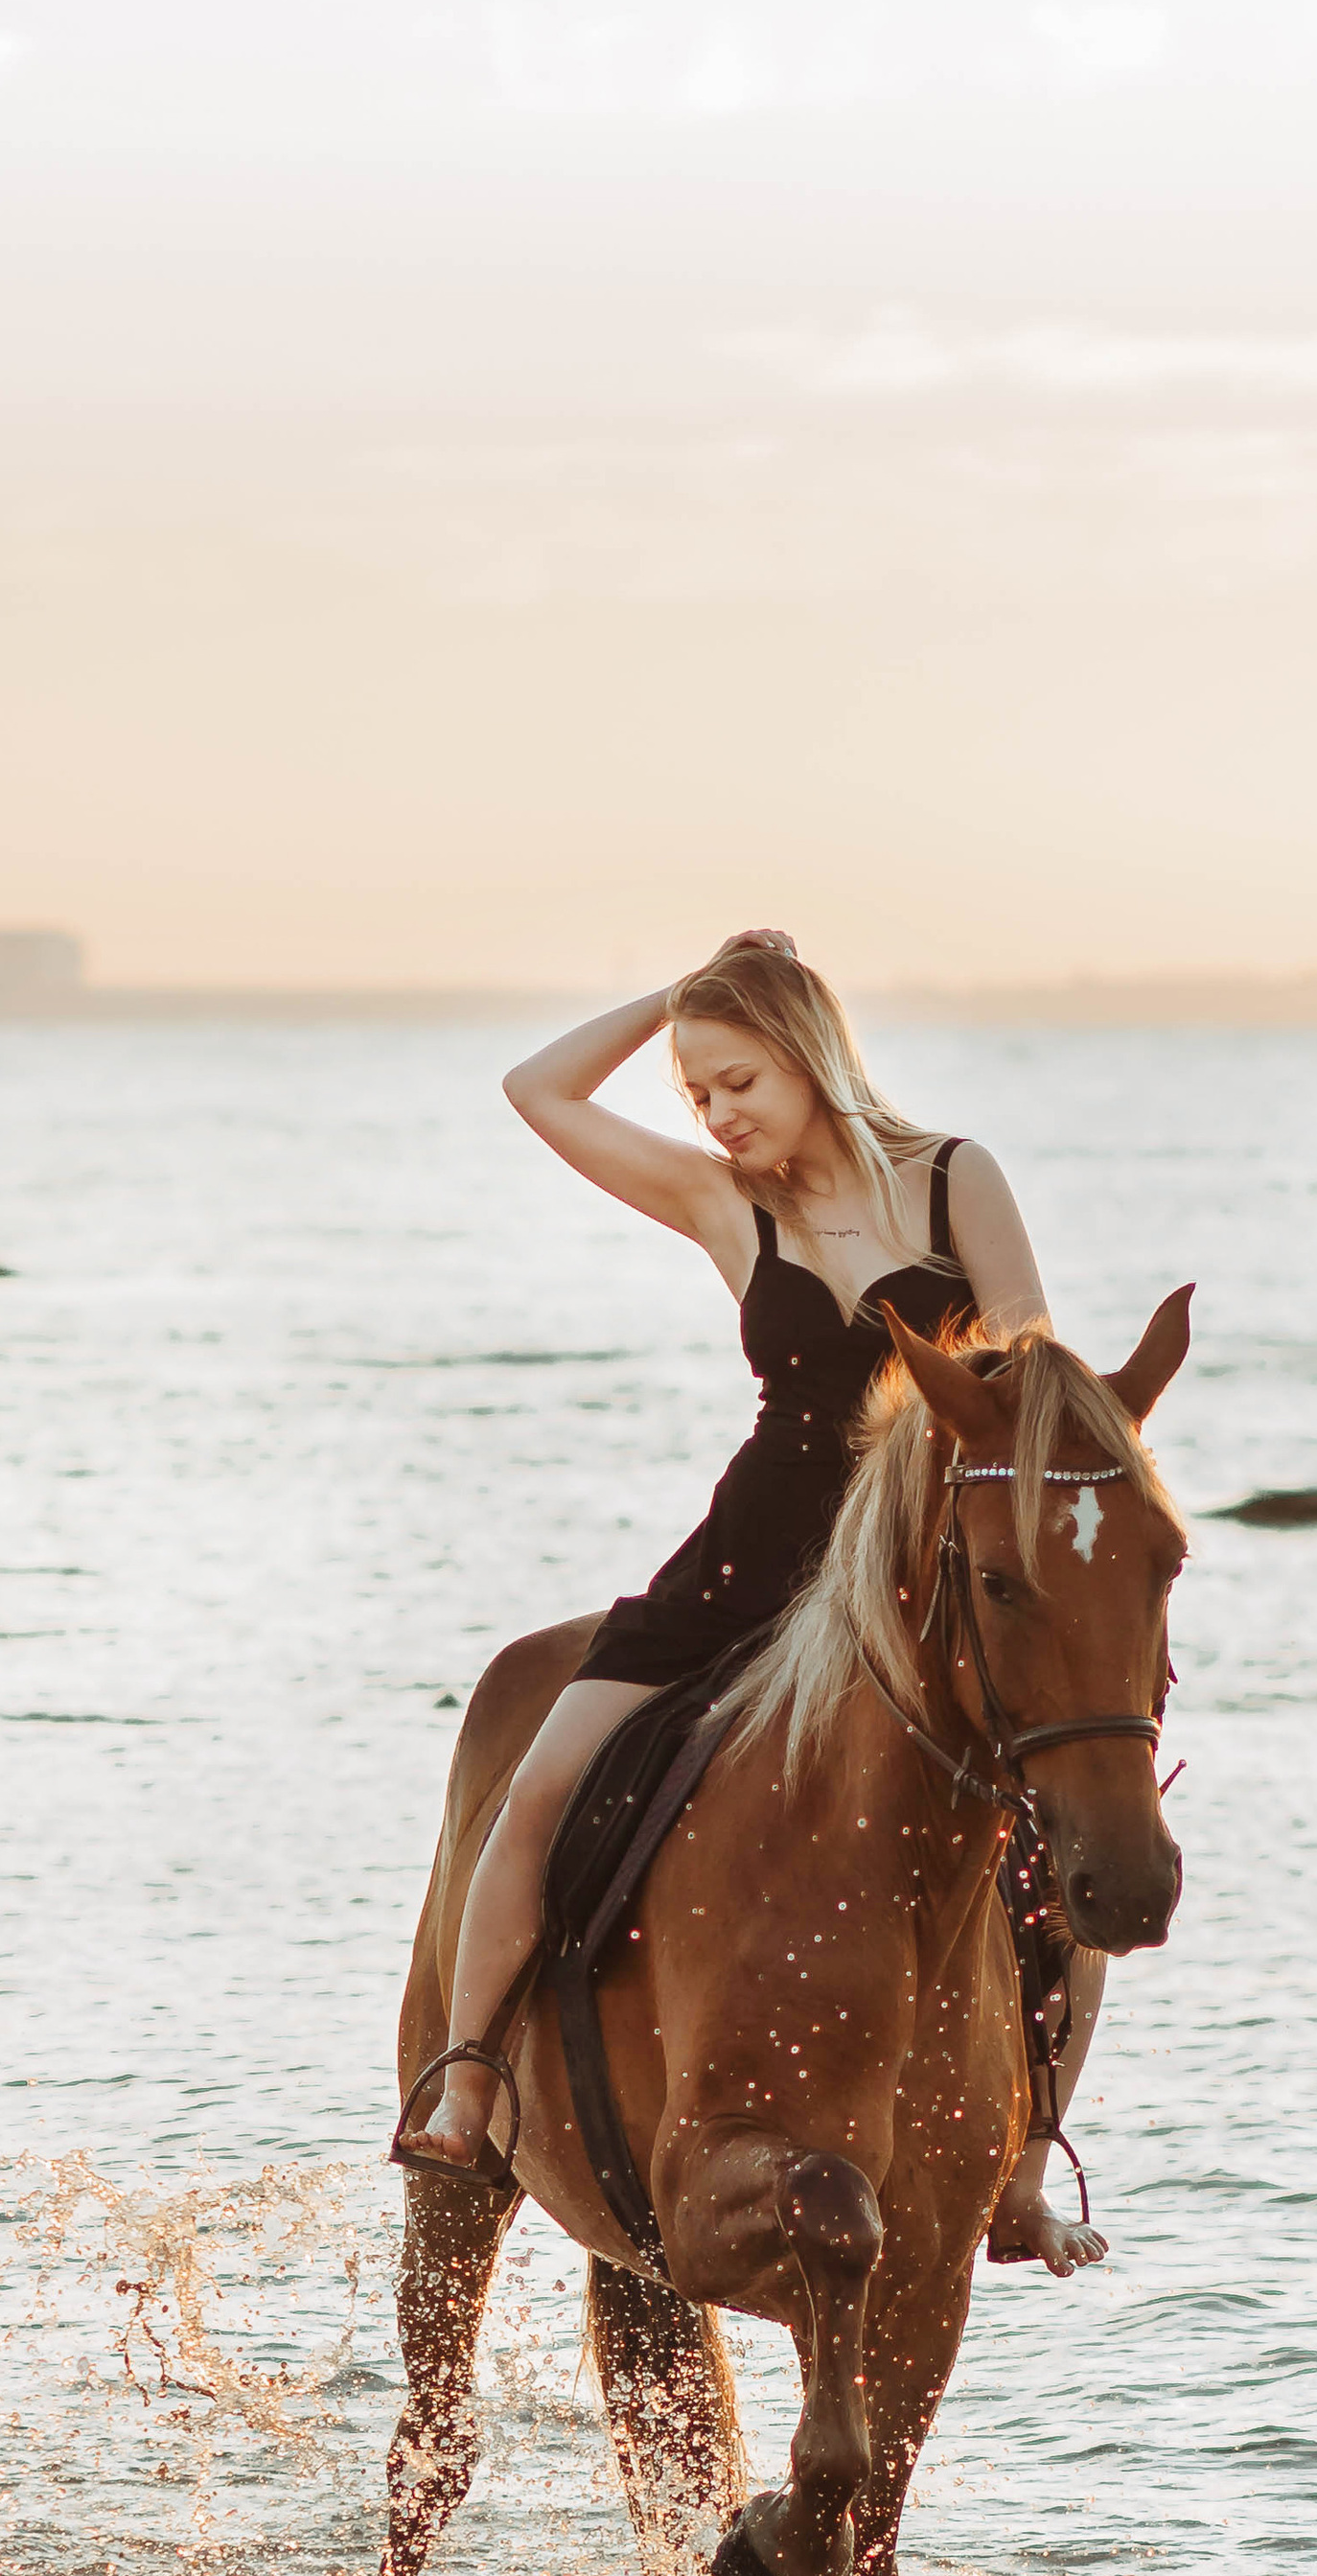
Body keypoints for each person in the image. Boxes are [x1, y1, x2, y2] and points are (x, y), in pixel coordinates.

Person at [400, 929, 1103, 2272]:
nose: (718, 1115)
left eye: (735, 1080)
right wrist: (680, 991)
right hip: (753, 1552)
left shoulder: (955, 1177)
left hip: (910, 1568)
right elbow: (536, 1090)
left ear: (808, 1050)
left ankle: (1021, 2166)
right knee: (544, 1787)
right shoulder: (727, 1202)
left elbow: (1025, 1363)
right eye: (697, 1094)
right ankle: (472, 2079)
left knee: (1056, 1864)